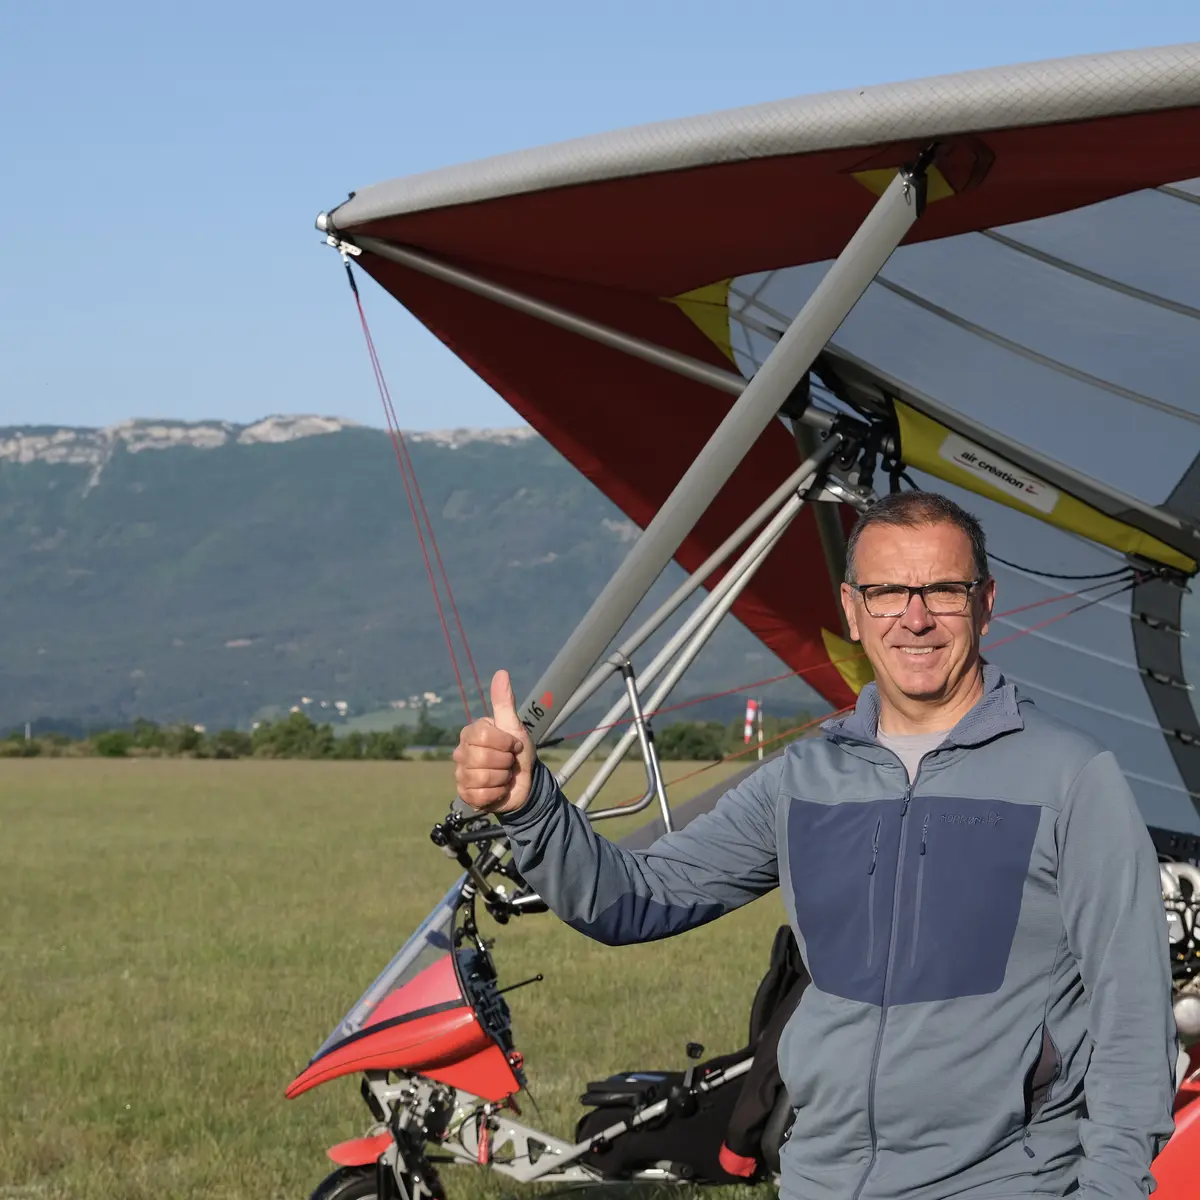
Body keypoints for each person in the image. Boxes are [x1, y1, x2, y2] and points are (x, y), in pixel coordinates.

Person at [454, 491, 1177, 1200]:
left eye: (944, 591)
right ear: (852, 610)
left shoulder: (1071, 778)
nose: (915, 618)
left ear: (986, 603)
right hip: (821, 1180)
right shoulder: (803, 780)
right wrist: (533, 808)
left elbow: (1134, 1013)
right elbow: (635, 899)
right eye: (888, 592)